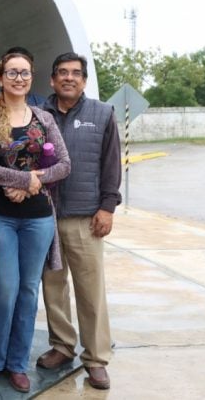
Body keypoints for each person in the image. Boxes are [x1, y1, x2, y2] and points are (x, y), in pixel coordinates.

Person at [0, 51, 71, 393]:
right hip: (3, 219)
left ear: (31, 77)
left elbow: (64, 165)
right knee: (5, 290)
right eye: (12, 72)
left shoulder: (43, 118)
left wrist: (30, 183)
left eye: (25, 73)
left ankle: (17, 363)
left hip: (38, 218)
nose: (19, 78)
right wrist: (18, 179)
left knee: (28, 291)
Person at [38, 52, 121, 390]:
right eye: (62, 73)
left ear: (84, 80)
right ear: (52, 80)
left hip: (87, 218)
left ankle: (97, 358)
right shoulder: (38, 116)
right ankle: (61, 345)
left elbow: (112, 163)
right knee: (54, 288)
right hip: (46, 216)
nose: (68, 78)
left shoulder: (102, 114)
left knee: (91, 291)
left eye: (75, 73)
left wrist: (108, 206)